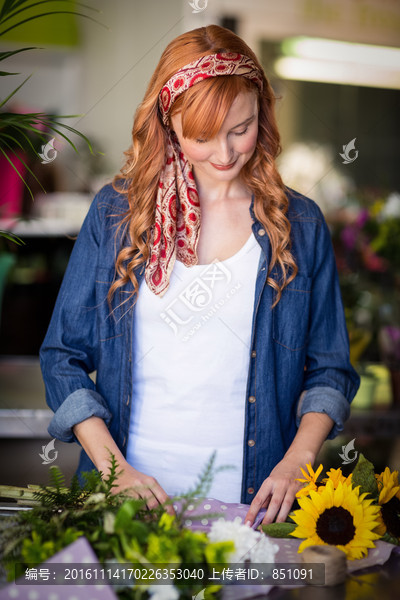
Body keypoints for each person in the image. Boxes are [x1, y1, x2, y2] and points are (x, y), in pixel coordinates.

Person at [39, 24, 360, 527]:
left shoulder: (299, 225)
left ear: (263, 114)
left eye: (242, 129)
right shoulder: (115, 216)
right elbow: (63, 357)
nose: (226, 155)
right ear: (169, 124)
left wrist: (298, 460)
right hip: (125, 509)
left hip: (255, 511)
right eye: (202, 136)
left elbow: (329, 368)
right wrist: (112, 470)